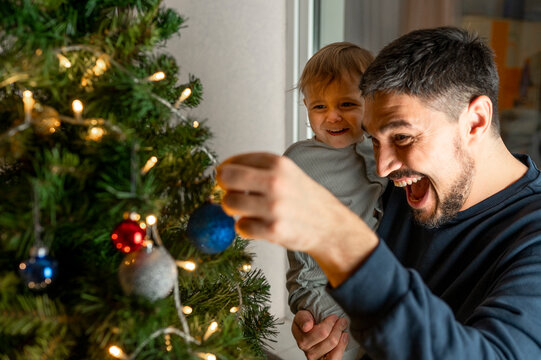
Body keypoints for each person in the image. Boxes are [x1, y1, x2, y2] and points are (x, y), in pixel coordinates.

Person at [217, 26, 541, 360]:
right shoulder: (399, 188)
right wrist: (319, 322)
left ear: (475, 120)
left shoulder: (532, 238)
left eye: (401, 137)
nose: (383, 167)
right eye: (372, 139)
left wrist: (339, 238)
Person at [284, 42, 387, 360]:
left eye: (346, 104)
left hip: (380, 279)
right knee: (337, 338)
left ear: (370, 104)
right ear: (305, 106)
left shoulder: (381, 148)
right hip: (322, 283)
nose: (332, 117)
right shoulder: (299, 160)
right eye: (319, 107)